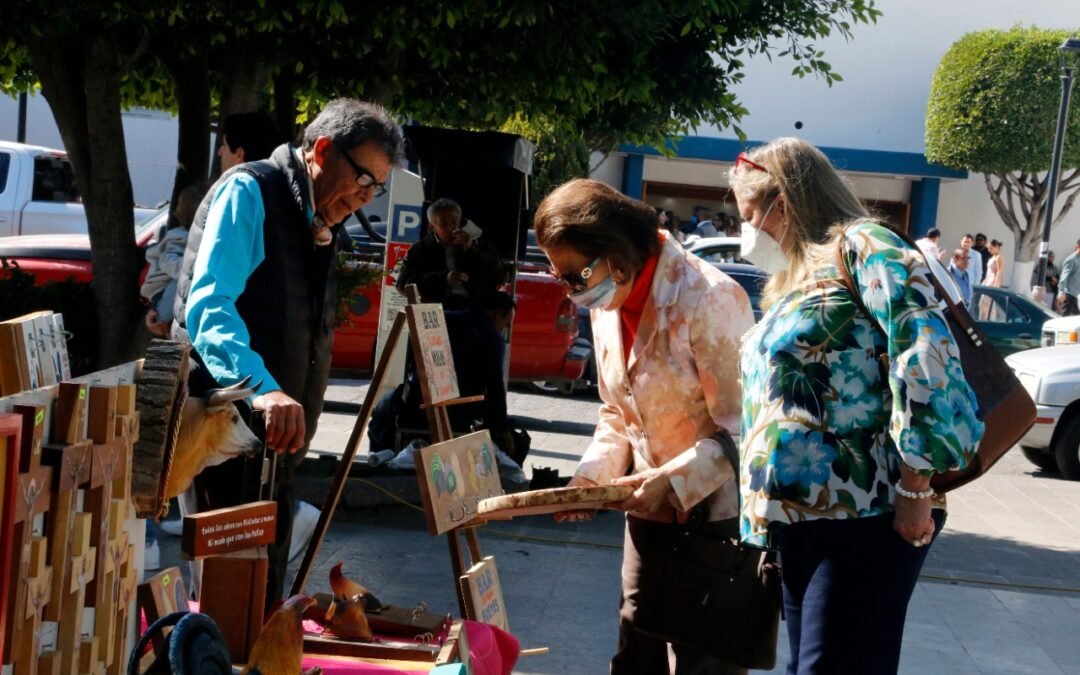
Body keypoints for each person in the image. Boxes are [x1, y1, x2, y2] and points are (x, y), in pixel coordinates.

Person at [729, 138, 983, 674]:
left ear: (786, 202)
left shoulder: (864, 245)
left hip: (864, 511)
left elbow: (924, 354)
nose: (747, 231)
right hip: (801, 516)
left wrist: (917, 485)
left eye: (751, 215)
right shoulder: (797, 278)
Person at [173, 99, 405, 603]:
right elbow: (209, 307)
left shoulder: (319, 215)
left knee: (263, 589)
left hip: (273, 440)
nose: (367, 198)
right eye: (364, 180)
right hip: (223, 432)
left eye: (377, 189)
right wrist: (264, 390)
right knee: (227, 596)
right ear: (322, 149)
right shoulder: (250, 190)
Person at [536, 179, 754, 675]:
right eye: (558, 278)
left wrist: (672, 481)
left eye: (573, 277)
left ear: (615, 256)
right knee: (637, 653)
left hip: (715, 525)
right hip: (648, 517)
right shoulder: (608, 303)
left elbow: (744, 428)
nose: (570, 292)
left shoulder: (711, 298)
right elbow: (617, 413)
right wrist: (589, 480)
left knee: (704, 664)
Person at [368, 291, 520, 462]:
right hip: (461, 411)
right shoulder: (492, 338)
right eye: (505, 324)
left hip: (420, 403)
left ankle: (380, 460)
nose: (504, 329)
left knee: (383, 409)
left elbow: (413, 362)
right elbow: (495, 388)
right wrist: (502, 428)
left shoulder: (441, 320)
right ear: (497, 313)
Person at [396, 198, 506, 308]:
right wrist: (444, 279)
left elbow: (501, 276)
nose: (451, 228)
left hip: (476, 308)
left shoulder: (477, 241)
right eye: (444, 224)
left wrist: (471, 250)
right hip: (438, 309)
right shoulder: (421, 249)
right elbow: (402, 285)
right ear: (432, 227)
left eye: (454, 222)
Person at [141, 183, 209, 338]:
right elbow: (167, 261)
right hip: (163, 294)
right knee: (179, 284)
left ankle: (168, 340)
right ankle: (165, 335)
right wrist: (193, 271)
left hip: (175, 303)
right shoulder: (179, 236)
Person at [980, 239, 1004, 320]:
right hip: (987, 281)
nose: (989, 250)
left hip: (992, 282)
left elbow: (999, 271)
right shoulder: (992, 257)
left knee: (989, 303)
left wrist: (996, 285)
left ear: (996, 247)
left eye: (991, 248)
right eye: (988, 248)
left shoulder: (998, 257)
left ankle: (990, 320)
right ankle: (984, 319)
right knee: (983, 303)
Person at [1058, 239, 1080, 316]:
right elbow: (1064, 276)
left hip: (1076, 295)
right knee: (1065, 317)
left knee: (1076, 319)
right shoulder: (1071, 260)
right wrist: (1061, 292)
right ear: (1077, 246)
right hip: (1069, 294)